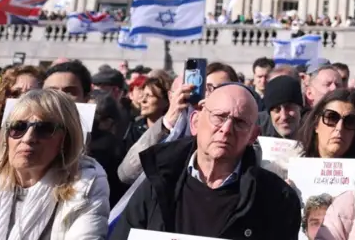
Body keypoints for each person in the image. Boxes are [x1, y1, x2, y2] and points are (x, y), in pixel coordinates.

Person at [109, 83, 301, 240]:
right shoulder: (157, 182)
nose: (226, 129)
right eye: (219, 117)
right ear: (195, 122)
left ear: (253, 135)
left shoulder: (278, 199)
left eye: (240, 122)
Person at [0, 89, 110, 240]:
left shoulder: (86, 184)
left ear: (67, 139)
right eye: (18, 127)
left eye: (44, 129)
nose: (28, 138)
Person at [0, 65, 42, 169]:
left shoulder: (44, 135)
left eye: (31, 94)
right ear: (5, 97)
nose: (22, 99)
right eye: (16, 93)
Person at [297, 88, 355, 160]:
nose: (339, 128)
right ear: (316, 123)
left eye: (349, 122)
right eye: (331, 118)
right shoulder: (293, 166)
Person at [260, 74, 306, 139]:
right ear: (270, 114)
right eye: (277, 110)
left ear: (300, 108)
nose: (284, 116)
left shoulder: (316, 137)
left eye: (288, 107)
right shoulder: (257, 140)